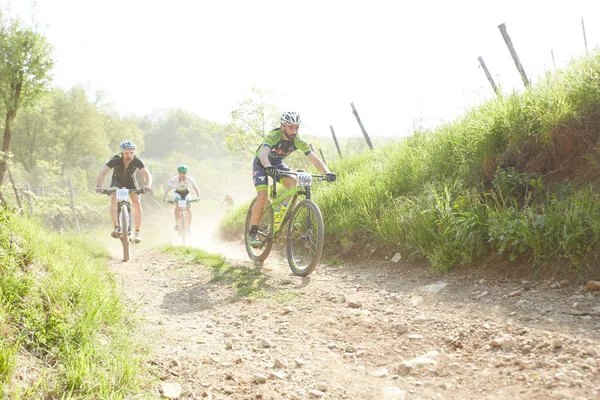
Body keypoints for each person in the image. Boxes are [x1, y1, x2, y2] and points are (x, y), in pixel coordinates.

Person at [248, 111, 336, 246]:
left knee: (294, 184)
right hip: (261, 164)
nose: (294, 131)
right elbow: (263, 154)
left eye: (297, 127)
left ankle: (283, 214)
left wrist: (327, 172)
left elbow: (315, 159)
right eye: (291, 127)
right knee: (262, 197)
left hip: (277, 164)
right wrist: (267, 166)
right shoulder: (273, 136)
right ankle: (252, 232)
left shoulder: (298, 141)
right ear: (282, 126)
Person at [95, 140, 152, 243]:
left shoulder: (137, 161)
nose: (129, 155)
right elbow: (103, 173)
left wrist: (148, 185)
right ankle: (116, 227)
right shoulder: (115, 160)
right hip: (117, 181)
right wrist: (99, 186)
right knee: (113, 198)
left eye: (131, 152)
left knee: (137, 202)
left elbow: (147, 175)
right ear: (121, 152)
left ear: (134, 153)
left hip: (131, 181)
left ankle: (138, 231)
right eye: (126, 152)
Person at [163, 164, 201, 233]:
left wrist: (198, 196)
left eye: (184, 173)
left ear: (186, 173)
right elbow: (167, 189)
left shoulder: (189, 179)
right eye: (181, 173)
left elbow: (196, 188)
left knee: (188, 209)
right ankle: (177, 223)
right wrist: (165, 197)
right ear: (178, 172)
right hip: (177, 193)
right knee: (177, 206)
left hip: (186, 193)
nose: (183, 174)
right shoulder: (174, 179)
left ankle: (189, 227)